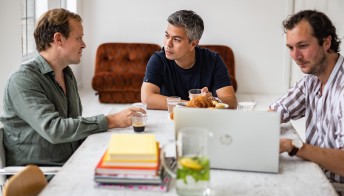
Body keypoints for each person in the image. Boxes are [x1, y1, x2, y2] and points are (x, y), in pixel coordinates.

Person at [0, 8, 145, 167]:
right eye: (79, 38)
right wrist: (111, 121)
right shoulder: (23, 80)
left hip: (73, 162)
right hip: (42, 178)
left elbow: (73, 125)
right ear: (58, 39)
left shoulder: (67, 75)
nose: (84, 44)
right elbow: (54, 129)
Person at [269, 10, 344, 189]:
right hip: (319, 178)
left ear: (326, 42)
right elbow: (279, 110)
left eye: (303, 46)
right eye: (291, 48)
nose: (296, 56)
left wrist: (293, 146)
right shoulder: (313, 77)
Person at [141, 10, 237, 109]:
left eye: (176, 40)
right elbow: (147, 98)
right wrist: (192, 104)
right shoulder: (158, 60)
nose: (168, 44)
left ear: (193, 44)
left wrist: (212, 100)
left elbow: (231, 101)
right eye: (167, 36)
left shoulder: (213, 61)